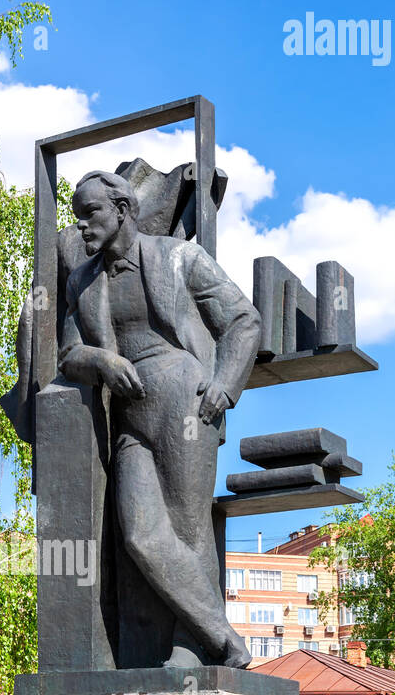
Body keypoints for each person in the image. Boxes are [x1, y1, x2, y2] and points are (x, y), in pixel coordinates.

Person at [59, 170, 260, 667]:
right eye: (76, 217)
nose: (82, 226)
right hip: (130, 413)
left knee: (189, 527)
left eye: (91, 214)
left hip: (183, 398)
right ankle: (224, 638)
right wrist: (101, 361)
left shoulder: (179, 257)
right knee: (140, 534)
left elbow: (243, 319)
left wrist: (224, 387)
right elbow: (68, 354)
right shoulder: (82, 282)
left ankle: (191, 649)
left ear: (122, 209)